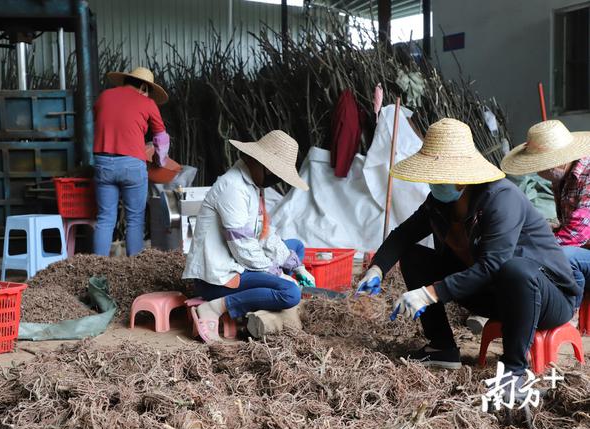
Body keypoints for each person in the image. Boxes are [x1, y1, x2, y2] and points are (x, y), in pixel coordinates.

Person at [356, 118, 581, 382]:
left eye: (440, 177)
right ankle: (441, 347)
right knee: (414, 257)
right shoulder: (438, 203)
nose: (433, 183)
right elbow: (404, 234)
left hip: (545, 298)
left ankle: (514, 370)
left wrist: (429, 294)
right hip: (496, 294)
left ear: (462, 178)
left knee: (516, 269)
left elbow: (493, 265)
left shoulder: (501, 199)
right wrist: (377, 268)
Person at [182, 130, 316, 343]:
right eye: (274, 172)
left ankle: (265, 294)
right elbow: (243, 246)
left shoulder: (252, 186)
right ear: (257, 161)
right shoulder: (232, 188)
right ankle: (214, 307)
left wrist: (295, 265)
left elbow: (265, 234)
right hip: (220, 277)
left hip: (241, 263)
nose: (274, 178)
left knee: (295, 247)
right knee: (290, 292)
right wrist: (277, 273)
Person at [501, 120, 590, 298]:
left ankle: (569, 310)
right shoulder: (562, 177)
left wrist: (528, 248)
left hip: (583, 247)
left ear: (557, 163)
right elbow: (567, 225)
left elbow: (577, 234)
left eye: (539, 167)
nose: (537, 172)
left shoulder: (587, 177)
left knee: (565, 257)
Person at [92, 67, 171, 257]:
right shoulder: (148, 103)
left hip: (103, 163)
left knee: (104, 219)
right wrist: (160, 160)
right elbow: (161, 136)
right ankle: (133, 271)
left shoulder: (104, 96)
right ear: (144, 86)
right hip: (132, 165)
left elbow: (104, 121)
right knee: (135, 219)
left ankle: (96, 272)